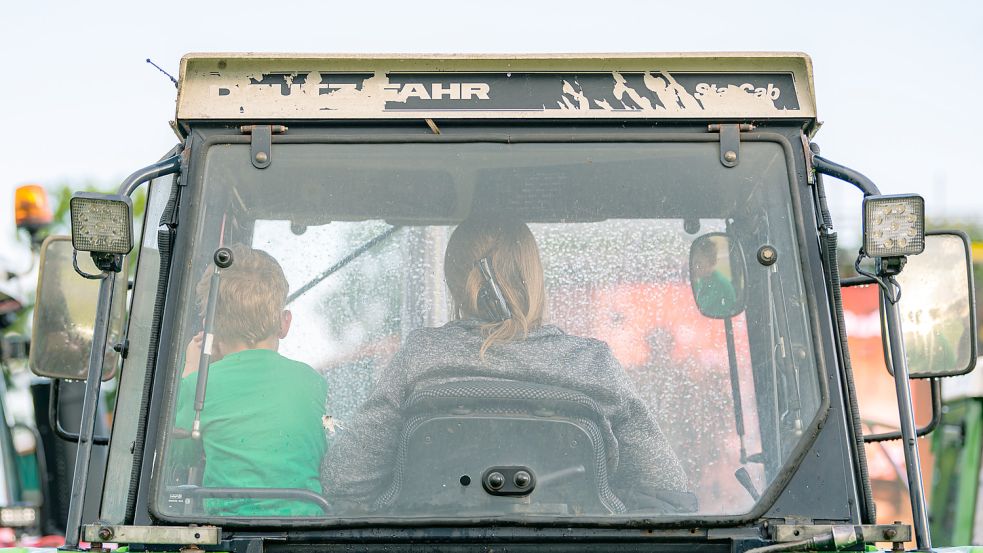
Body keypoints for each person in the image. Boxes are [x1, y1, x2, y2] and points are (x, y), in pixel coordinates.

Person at [322, 217, 691, 512]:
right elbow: (668, 494)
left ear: (456, 284)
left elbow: (344, 480)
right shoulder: (591, 364)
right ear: (534, 278)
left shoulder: (421, 358)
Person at [170, 244, 327, 516]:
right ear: (284, 323)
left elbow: (180, 456)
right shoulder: (311, 381)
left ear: (208, 326)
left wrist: (191, 372)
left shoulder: (201, 385)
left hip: (232, 531)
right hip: (306, 529)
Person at [690, 238, 738, 318]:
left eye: (698, 263)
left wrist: (694, 280)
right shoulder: (705, 278)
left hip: (721, 321)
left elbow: (700, 305)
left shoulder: (719, 283)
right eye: (693, 263)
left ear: (711, 263)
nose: (694, 267)